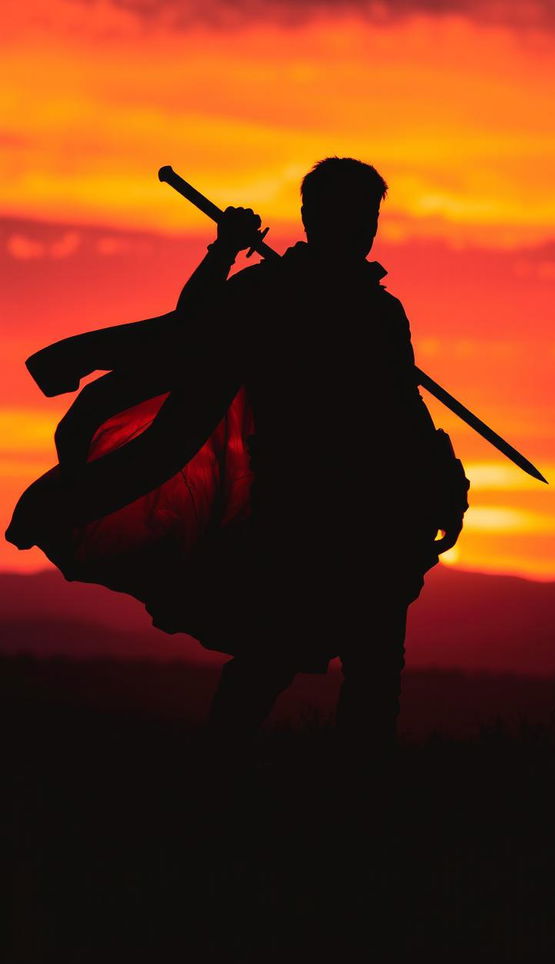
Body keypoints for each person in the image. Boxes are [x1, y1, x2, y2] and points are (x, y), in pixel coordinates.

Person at [175, 157, 468, 762]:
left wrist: (444, 481)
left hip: (379, 513)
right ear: (312, 217)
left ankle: (358, 810)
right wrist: (224, 249)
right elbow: (190, 328)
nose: (363, 227)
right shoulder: (269, 293)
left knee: (375, 668)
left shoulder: (381, 311)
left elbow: (402, 407)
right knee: (270, 653)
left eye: (370, 215)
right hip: (298, 505)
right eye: (350, 214)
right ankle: (208, 788)